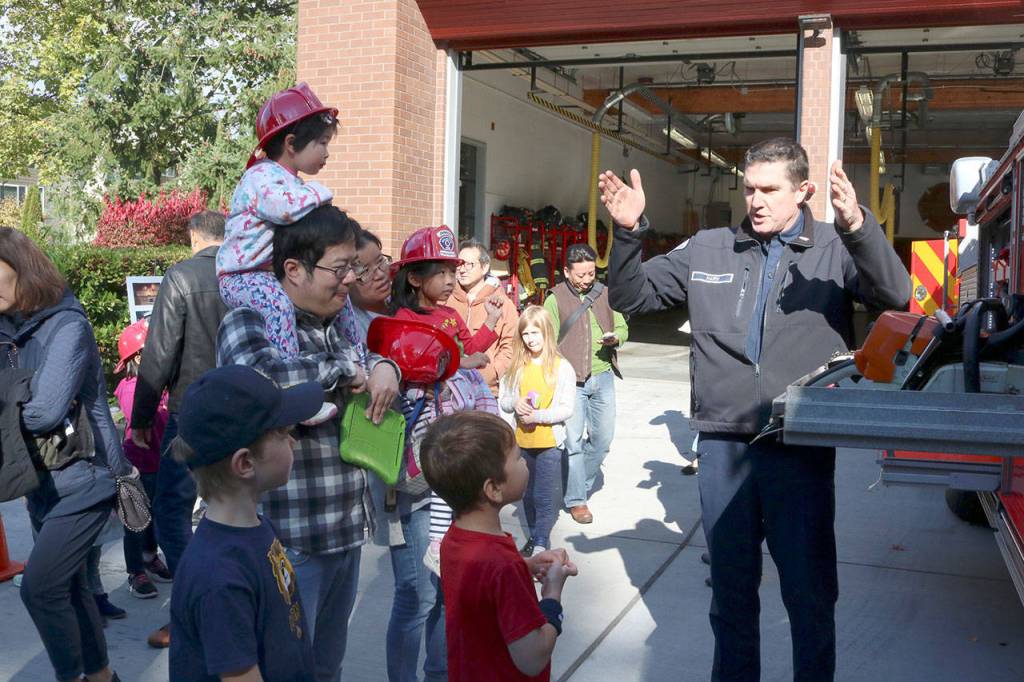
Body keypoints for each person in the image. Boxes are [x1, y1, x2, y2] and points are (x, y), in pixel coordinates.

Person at [601, 137, 911, 681]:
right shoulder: (709, 247)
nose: (757, 201)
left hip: (799, 443)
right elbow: (632, 297)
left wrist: (858, 226)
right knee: (731, 591)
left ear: (804, 191)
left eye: (770, 190)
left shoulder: (833, 251)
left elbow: (896, 295)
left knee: (809, 592)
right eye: (749, 189)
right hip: (724, 442)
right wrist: (628, 234)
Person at [218, 204, 400, 682]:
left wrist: (384, 366)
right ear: (293, 270)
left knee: (325, 667)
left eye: (353, 269)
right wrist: (345, 372)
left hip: (344, 532)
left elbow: (371, 355)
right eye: (340, 270)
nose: (348, 282)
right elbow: (264, 381)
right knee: (286, 668)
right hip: (291, 539)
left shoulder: (338, 319)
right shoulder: (248, 319)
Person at [0, 226, 132, 682]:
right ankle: (101, 676)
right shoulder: (5, 328)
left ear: (21, 268)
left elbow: (45, 413)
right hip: (39, 483)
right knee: (72, 589)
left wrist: (9, 393)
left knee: (39, 589)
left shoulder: (67, 324)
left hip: (88, 475)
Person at [169, 364, 323, 682]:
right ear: (245, 463)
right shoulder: (219, 576)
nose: (293, 441)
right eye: (282, 433)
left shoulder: (257, 527)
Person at [367, 317, 499, 682]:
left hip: (456, 501)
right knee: (418, 598)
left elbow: (493, 424)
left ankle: (439, 675)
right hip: (412, 504)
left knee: (446, 593)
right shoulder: (391, 389)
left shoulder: (465, 380)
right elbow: (390, 461)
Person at [420, 411, 578, 682]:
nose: (525, 464)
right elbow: (532, 657)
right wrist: (552, 596)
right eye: (517, 458)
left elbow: (480, 588)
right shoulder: (502, 567)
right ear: (493, 488)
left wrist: (524, 566)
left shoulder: (454, 539)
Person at [130, 209, 227, 649]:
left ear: (194, 237)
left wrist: (141, 419)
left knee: (172, 508)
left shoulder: (183, 275)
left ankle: (193, 607)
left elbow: (159, 353)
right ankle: (227, 600)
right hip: (244, 409)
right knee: (234, 508)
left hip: (193, 411)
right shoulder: (249, 275)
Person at [389, 225, 506, 572]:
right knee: (440, 480)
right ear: (413, 278)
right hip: (426, 424)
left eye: (453, 272)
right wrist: (457, 363)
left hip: (457, 415)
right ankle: (438, 544)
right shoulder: (403, 318)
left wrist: (493, 320)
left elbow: (472, 349)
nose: (450, 280)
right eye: (440, 272)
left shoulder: (452, 316)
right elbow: (408, 365)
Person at [217, 82, 337, 370]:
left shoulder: (291, 183)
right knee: (278, 306)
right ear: (291, 143)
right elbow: (284, 209)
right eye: (321, 143)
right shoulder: (261, 177)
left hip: (267, 275)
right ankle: (290, 380)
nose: (326, 153)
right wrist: (322, 192)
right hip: (241, 275)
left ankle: (352, 361)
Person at [544, 243, 628, 525]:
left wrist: (615, 337)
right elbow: (547, 342)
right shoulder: (554, 299)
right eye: (580, 275)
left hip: (603, 376)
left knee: (603, 441)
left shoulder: (605, 293)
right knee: (574, 444)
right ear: (567, 272)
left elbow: (622, 326)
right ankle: (577, 499)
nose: (586, 279)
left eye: (591, 273)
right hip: (571, 381)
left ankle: (575, 481)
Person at [499, 306, 576, 557]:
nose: (531, 339)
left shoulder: (561, 367)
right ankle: (535, 535)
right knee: (528, 495)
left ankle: (541, 540)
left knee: (545, 496)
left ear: (547, 332)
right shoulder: (517, 366)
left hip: (549, 443)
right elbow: (505, 400)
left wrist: (538, 416)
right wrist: (516, 403)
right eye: (526, 334)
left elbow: (566, 409)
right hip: (522, 441)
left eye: (535, 333)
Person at [112, 318, 173, 599]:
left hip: (159, 462)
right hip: (135, 466)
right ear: (137, 356)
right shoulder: (130, 387)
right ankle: (135, 571)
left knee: (154, 518)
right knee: (135, 521)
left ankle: (150, 557)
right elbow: (140, 416)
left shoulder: (162, 386)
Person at [445, 238, 519, 395]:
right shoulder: (445, 299)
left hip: (486, 391)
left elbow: (511, 346)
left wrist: (494, 372)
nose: (462, 270)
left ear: (485, 267)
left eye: (469, 264)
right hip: (449, 388)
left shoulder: (502, 303)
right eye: (459, 264)